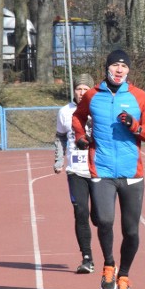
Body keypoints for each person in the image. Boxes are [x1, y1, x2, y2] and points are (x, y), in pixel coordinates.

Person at [72, 49, 145, 289]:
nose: (119, 70)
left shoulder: (139, 97)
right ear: (107, 68)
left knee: (131, 231)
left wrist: (136, 126)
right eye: (115, 66)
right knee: (105, 220)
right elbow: (77, 118)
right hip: (102, 170)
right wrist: (80, 137)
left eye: (124, 66)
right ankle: (108, 265)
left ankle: (124, 276)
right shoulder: (92, 95)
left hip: (132, 173)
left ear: (128, 71)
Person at [54, 73, 97, 274]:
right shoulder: (65, 112)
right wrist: (59, 160)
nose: (81, 92)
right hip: (75, 171)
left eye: (85, 89)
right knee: (81, 213)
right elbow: (61, 137)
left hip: (99, 170)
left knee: (100, 217)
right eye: (78, 89)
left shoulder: (99, 109)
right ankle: (87, 257)